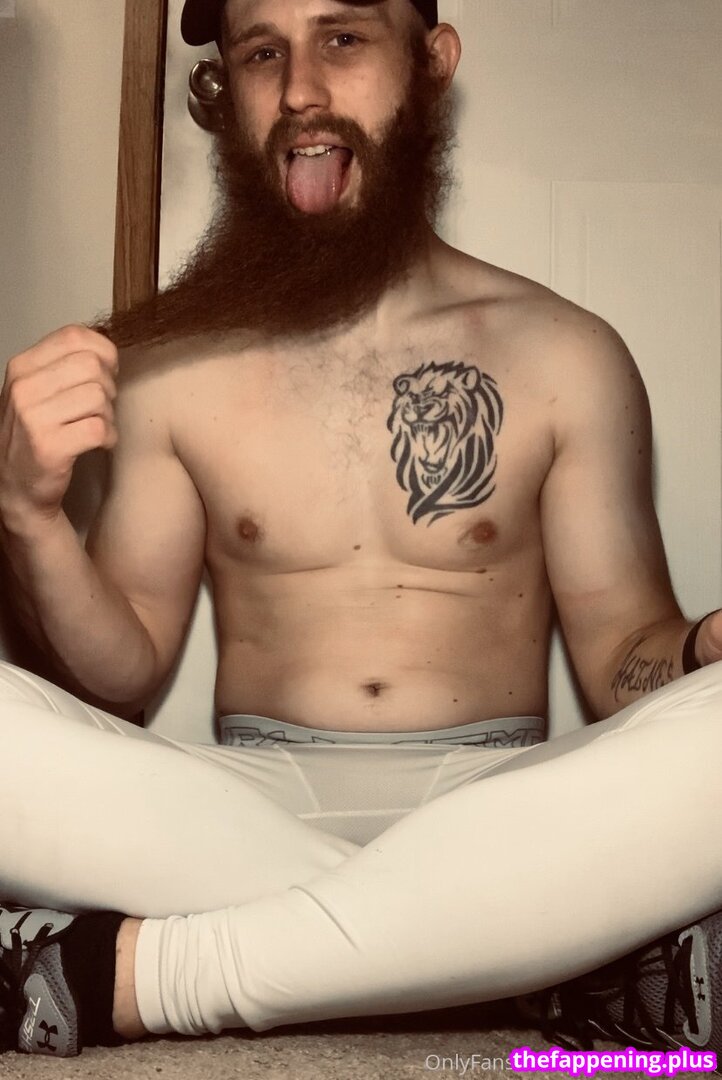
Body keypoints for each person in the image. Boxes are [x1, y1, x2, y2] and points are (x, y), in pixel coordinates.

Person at [0, 0, 721, 1062]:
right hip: (233, 808)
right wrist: (27, 514)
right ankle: (535, 960)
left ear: (431, 62)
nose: (299, 89)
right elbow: (122, 670)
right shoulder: (171, 366)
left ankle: (147, 975)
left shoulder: (566, 355)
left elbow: (625, 659)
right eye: (262, 52)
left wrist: (701, 649)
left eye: (342, 38)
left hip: (501, 801)